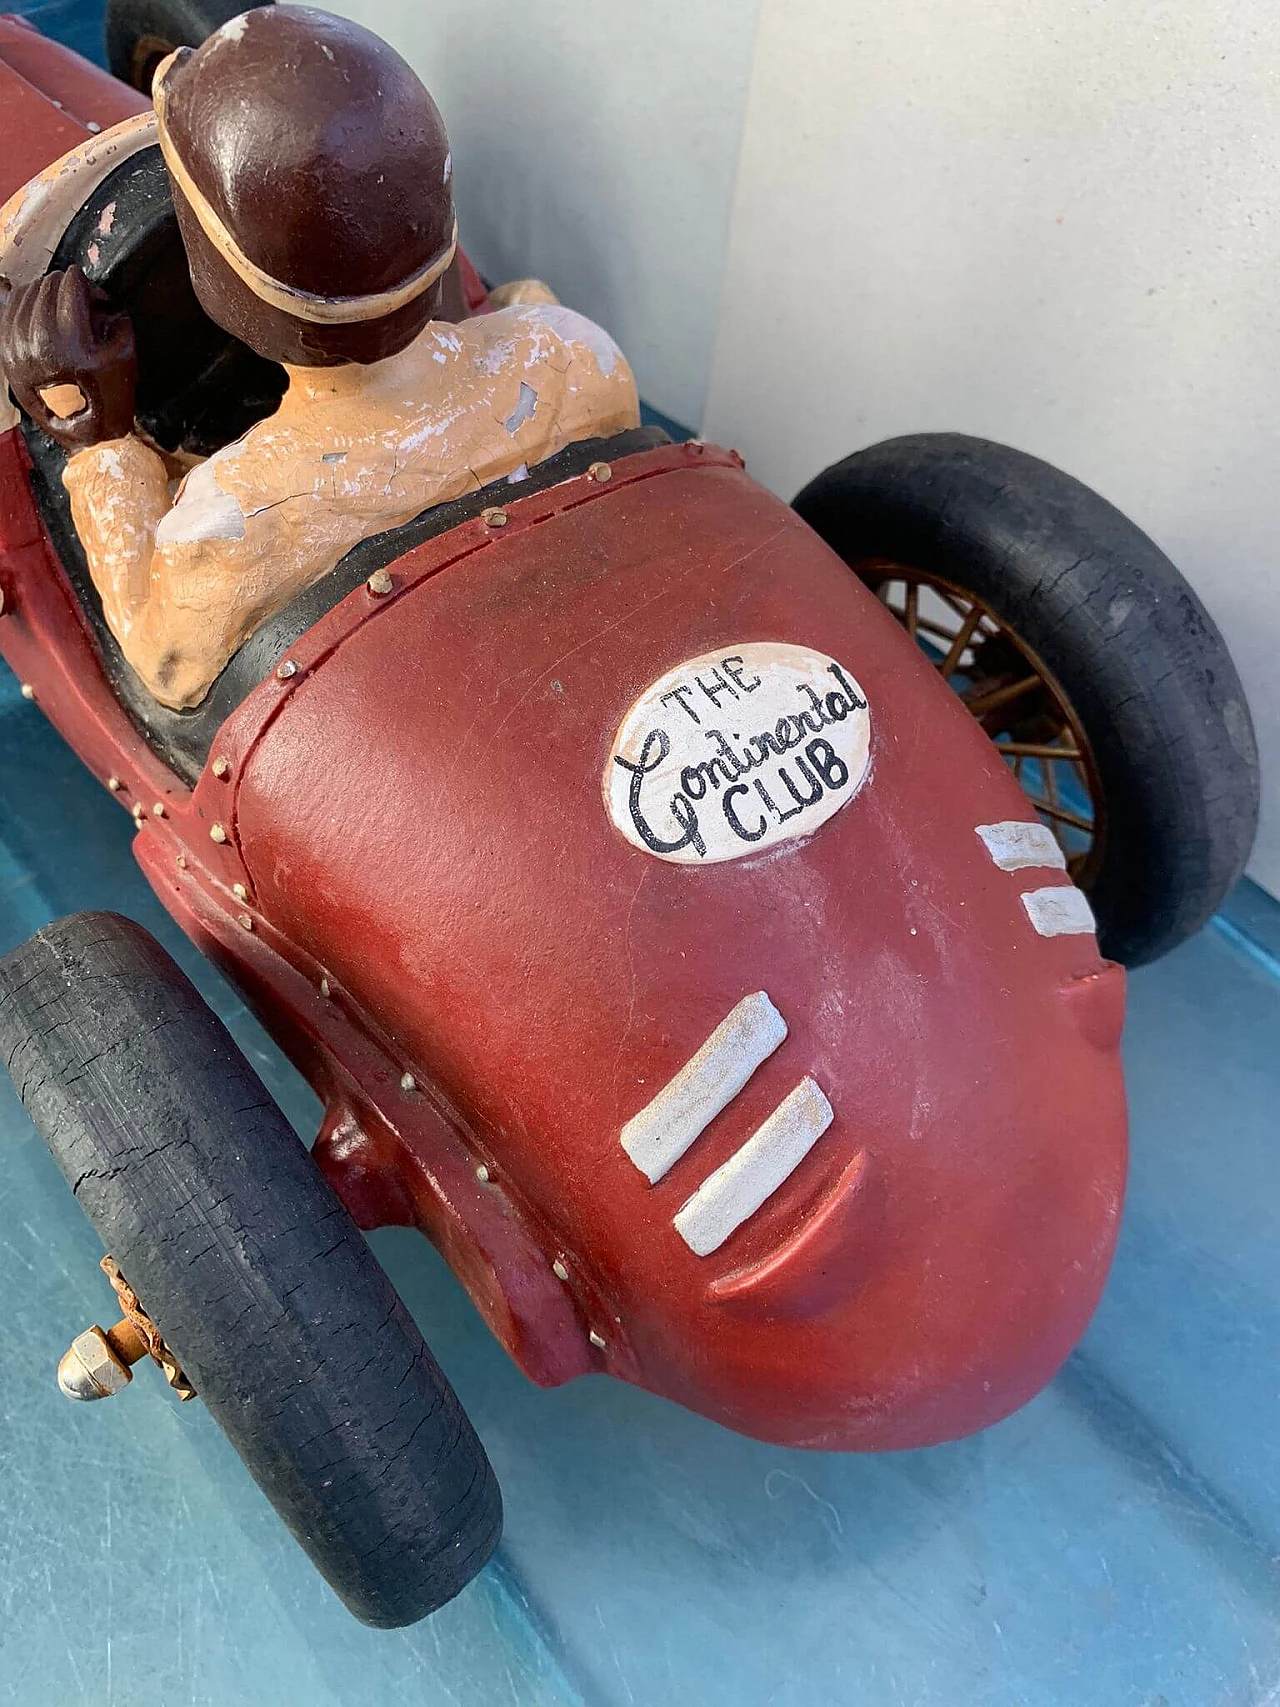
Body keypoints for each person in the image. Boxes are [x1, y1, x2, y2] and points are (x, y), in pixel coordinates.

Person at [0, 7, 639, 710]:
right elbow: (522, 325)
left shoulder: (233, 523)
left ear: (218, 280)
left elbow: (167, 667)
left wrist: (99, 440)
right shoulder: (578, 354)